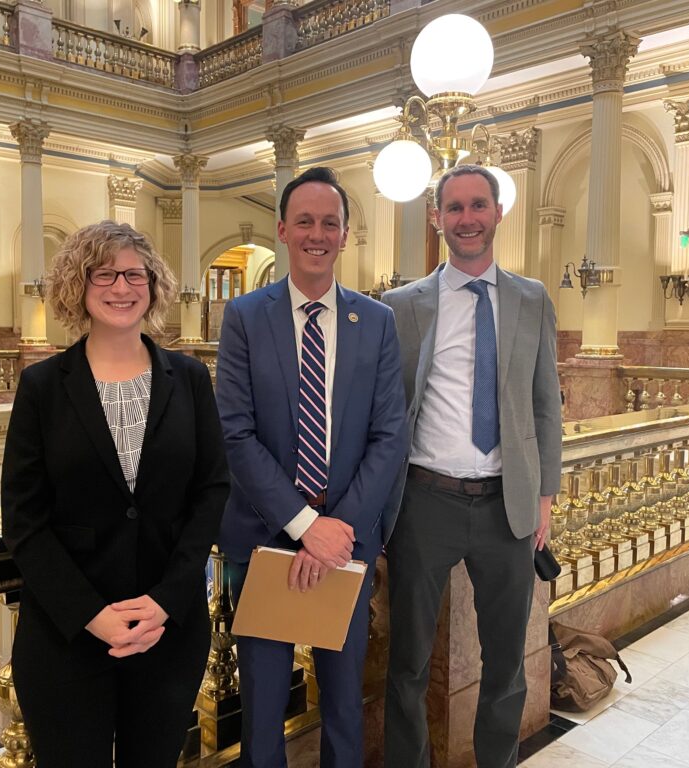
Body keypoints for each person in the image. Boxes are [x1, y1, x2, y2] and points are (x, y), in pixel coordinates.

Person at [1, 220, 229, 768]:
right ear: (78, 286)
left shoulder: (191, 378)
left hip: (166, 633)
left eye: (134, 274)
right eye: (104, 274)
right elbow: (24, 520)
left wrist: (166, 602)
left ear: (154, 286)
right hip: (66, 637)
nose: (121, 287)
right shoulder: (43, 386)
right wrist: (91, 614)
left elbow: (212, 489)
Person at [215, 166, 407, 768]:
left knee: (345, 705)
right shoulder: (245, 318)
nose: (317, 233)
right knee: (264, 715)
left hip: (346, 545)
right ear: (283, 230)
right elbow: (236, 433)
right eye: (305, 221)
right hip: (266, 541)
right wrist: (305, 525)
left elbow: (389, 434)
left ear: (345, 235)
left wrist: (336, 530)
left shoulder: (376, 322)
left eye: (330, 222)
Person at [381, 164, 562, 768]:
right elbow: (386, 410)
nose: (467, 219)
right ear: (437, 218)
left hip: (506, 506)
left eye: (477, 206)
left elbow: (544, 405)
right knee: (407, 661)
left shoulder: (531, 298)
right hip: (423, 501)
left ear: (497, 213)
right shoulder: (400, 306)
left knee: (506, 664)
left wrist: (545, 497)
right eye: (453, 208)